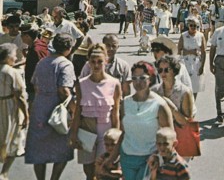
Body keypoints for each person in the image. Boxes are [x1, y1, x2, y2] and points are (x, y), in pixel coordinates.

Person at [105, 61, 174, 180]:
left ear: (151, 78)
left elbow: (170, 136)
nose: (138, 82)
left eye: (142, 77)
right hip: (127, 158)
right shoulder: (125, 103)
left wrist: (162, 158)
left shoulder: (160, 104)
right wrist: (112, 158)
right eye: (135, 78)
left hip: (149, 159)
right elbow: (123, 133)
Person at [25, 33, 77, 180]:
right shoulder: (65, 64)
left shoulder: (42, 62)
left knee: (39, 150)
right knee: (62, 149)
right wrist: (74, 111)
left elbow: (34, 84)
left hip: (40, 107)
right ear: (68, 48)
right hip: (57, 110)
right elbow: (64, 90)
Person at [70, 44, 122, 180]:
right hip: (87, 130)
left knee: (103, 169)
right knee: (89, 171)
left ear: (106, 61)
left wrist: (116, 135)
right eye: (93, 62)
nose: (96, 65)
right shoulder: (81, 84)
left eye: (100, 61)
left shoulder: (114, 83)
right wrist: (73, 133)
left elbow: (115, 111)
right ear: (88, 62)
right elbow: (78, 111)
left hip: (106, 131)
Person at [0, 43, 29, 180]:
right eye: (13, 55)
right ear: (7, 57)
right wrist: (26, 114)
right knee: (13, 137)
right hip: (9, 107)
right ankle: (4, 172)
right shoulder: (12, 72)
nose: (16, 57)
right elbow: (20, 95)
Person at [155, 55, 196, 122]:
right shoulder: (155, 91)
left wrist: (172, 108)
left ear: (174, 70)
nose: (163, 73)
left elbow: (187, 122)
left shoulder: (184, 92)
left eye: (166, 70)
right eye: (160, 70)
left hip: (179, 131)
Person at [177, 19, 206, 99]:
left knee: (195, 86)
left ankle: (193, 104)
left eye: (195, 26)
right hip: (185, 63)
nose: (193, 27)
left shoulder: (201, 35)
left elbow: (203, 52)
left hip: (196, 64)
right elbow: (178, 50)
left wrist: (202, 66)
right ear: (188, 25)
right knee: (185, 85)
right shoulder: (183, 35)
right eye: (191, 25)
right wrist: (189, 52)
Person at [21, 24, 51, 103]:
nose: (21, 37)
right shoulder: (38, 44)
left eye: (22, 35)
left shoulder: (36, 50)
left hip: (36, 87)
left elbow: (41, 68)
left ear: (27, 36)